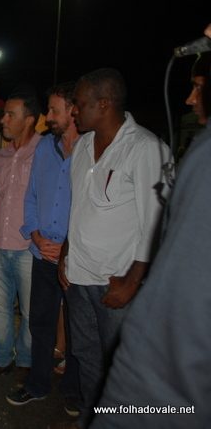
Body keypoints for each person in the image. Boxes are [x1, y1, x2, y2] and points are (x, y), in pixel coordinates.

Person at [91, 27, 211, 429]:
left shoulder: (155, 150)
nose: (189, 98)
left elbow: (177, 316)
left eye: (199, 86)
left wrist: (134, 280)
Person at [57, 68, 171, 428]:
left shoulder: (146, 149)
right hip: (79, 278)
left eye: (79, 104)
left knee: (122, 365)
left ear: (104, 104)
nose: (74, 111)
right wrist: (65, 254)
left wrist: (133, 281)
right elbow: (78, 208)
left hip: (117, 283)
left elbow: (157, 222)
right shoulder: (82, 147)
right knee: (88, 357)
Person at [5, 82, 81, 417]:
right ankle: (37, 385)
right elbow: (31, 197)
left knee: (78, 328)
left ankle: (74, 391)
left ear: (73, 111)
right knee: (39, 323)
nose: (47, 117)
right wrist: (35, 236)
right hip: (42, 252)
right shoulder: (45, 149)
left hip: (75, 257)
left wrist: (66, 247)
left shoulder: (91, 148)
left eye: (54, 110)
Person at [0, 88, 42, 380]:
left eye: (9, 115)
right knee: (0, 309)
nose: (2, 120)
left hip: (29, 247)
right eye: (3, 114)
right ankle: (2, 359)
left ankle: (26, 362)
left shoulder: (44, 153)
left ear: (28, 120)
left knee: (29, 312)